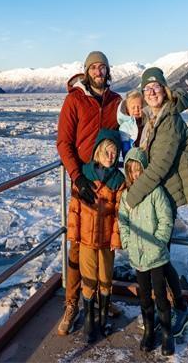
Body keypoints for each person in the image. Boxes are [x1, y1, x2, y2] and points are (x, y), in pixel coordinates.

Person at [124, 67, 188, 338]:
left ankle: (177, 309)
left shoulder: (169, 120)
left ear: (164, 89)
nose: (151, 93)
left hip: (165, 195)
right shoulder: (154, 117)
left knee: (158, 256)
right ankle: (171, 307)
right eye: (146, 89)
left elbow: (159, 165)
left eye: (155, 88)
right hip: (157, 193)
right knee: (159, 256)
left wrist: (132, 197)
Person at [56, 51, 122, 335]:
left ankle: (103, 300)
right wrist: (77, 176)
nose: (98, 71)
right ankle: (73, 304)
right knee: (79, 246)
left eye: (102, 67)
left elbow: (130, 134)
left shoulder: (116, 102)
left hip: (109, 181)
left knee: (107, 242)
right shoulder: (74, 99)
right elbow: (63, 143)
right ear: (86, 71)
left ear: (108, 71)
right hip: (83, 181)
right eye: (93, 67)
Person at [66, 129, 125, 343]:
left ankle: (103, 318)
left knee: (106, 278)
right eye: (107, 151)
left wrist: (116, 239)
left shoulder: (119, 180)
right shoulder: (84, 176)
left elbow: (120, 213)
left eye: (115, 152)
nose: (111, 156)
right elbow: (74, 209)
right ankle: (90, 320)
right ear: (98, 151)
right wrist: (74, 235)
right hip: (86, 239)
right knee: (89, 279)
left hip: (107, 240)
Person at [119, 147, 175, 355]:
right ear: (128, 173)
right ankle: (149, 331)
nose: (136, 174)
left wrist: (158, 243)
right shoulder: (127, 196)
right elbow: (123, 221)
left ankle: (167, 334)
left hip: (156, 255)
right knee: (144, 295)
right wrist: (127, 242)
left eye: (138, 169)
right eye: (131, 170)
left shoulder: (156, 192)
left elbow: (166, 220)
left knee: (160, 294)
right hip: (137, 254)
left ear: (145, 169)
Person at [117, 89, 145, 158]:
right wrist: (128, 158)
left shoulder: (146, 122)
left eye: (139, 107)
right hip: (133, 156)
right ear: (127, 110)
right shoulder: (125, 127)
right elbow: (125, 147)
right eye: (133, 108)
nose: (136, 110)